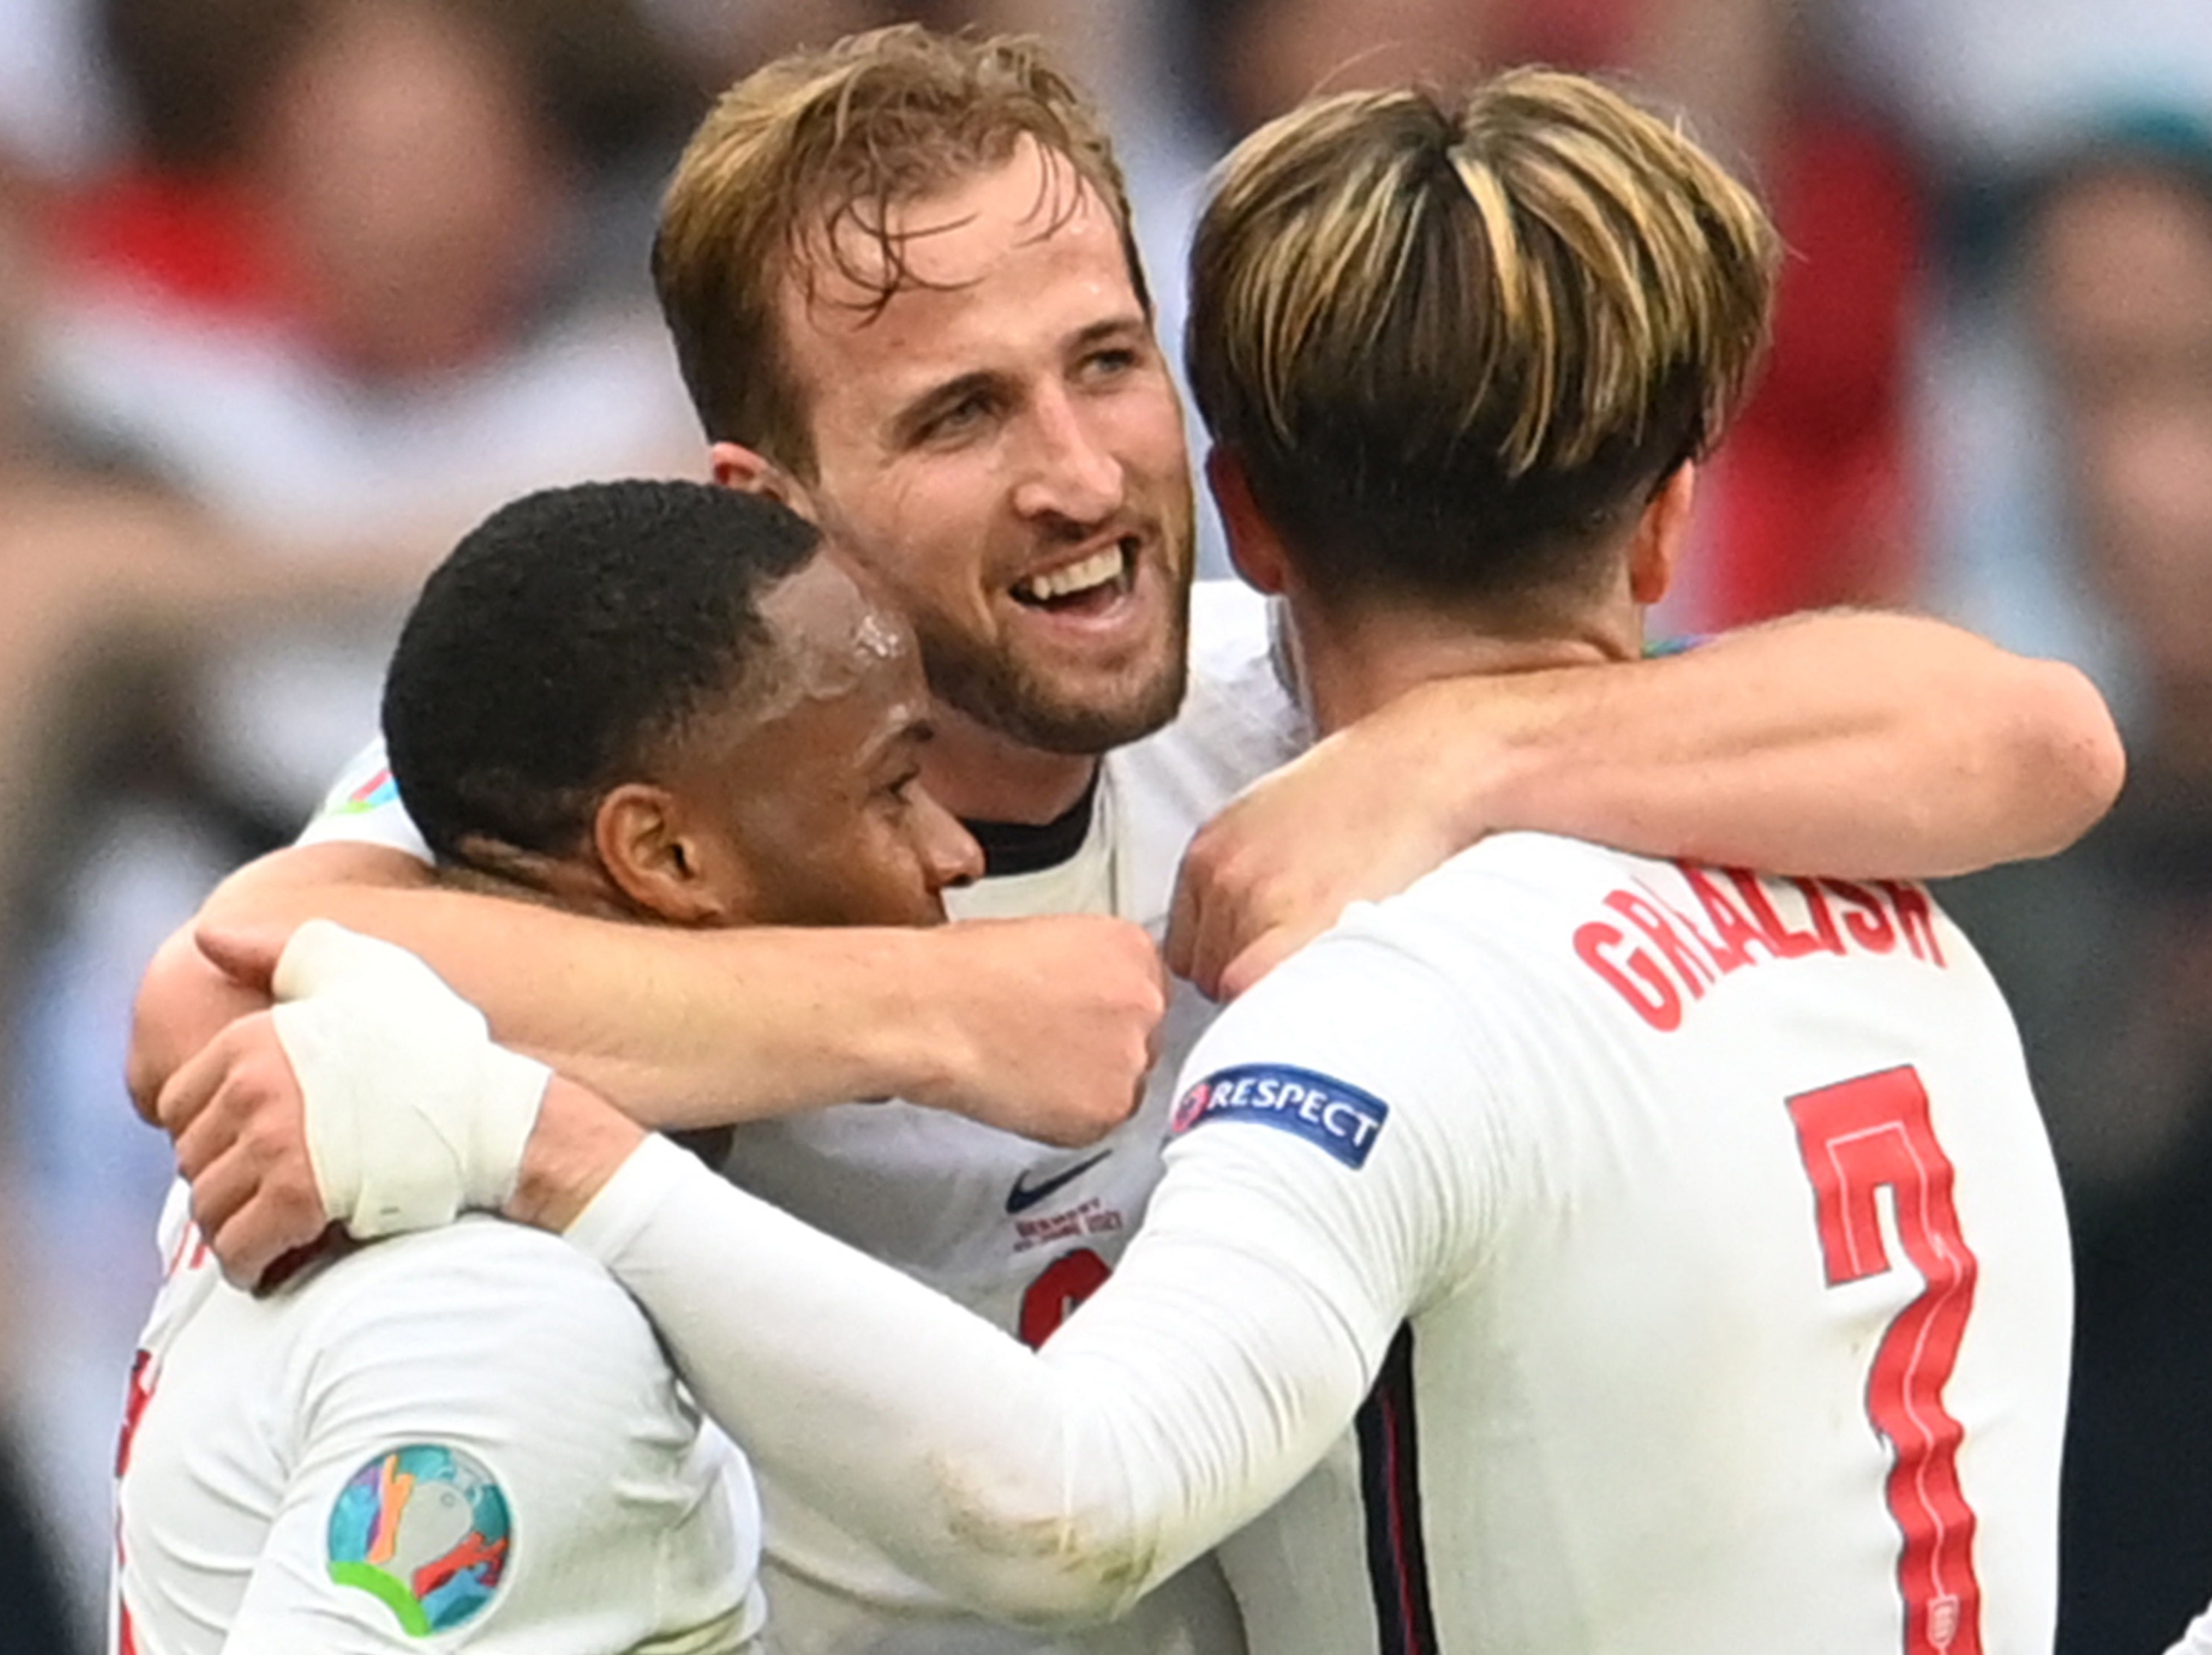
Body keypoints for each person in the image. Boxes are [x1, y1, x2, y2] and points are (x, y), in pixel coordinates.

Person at [138, 26, 2118, 1655]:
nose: (1078, 473)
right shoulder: (648, 797)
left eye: (1104, 363)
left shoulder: (1295, 691)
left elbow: (2027, 741)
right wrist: (922, 1015)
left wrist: (1462, 753)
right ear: (770, 504)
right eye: (958, 418)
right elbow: (222, 990)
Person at [118, 477, 985, 1653]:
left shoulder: (352, 1136)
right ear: (664, 855)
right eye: (894, 789)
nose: (956, 852)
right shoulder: (511, 1327)